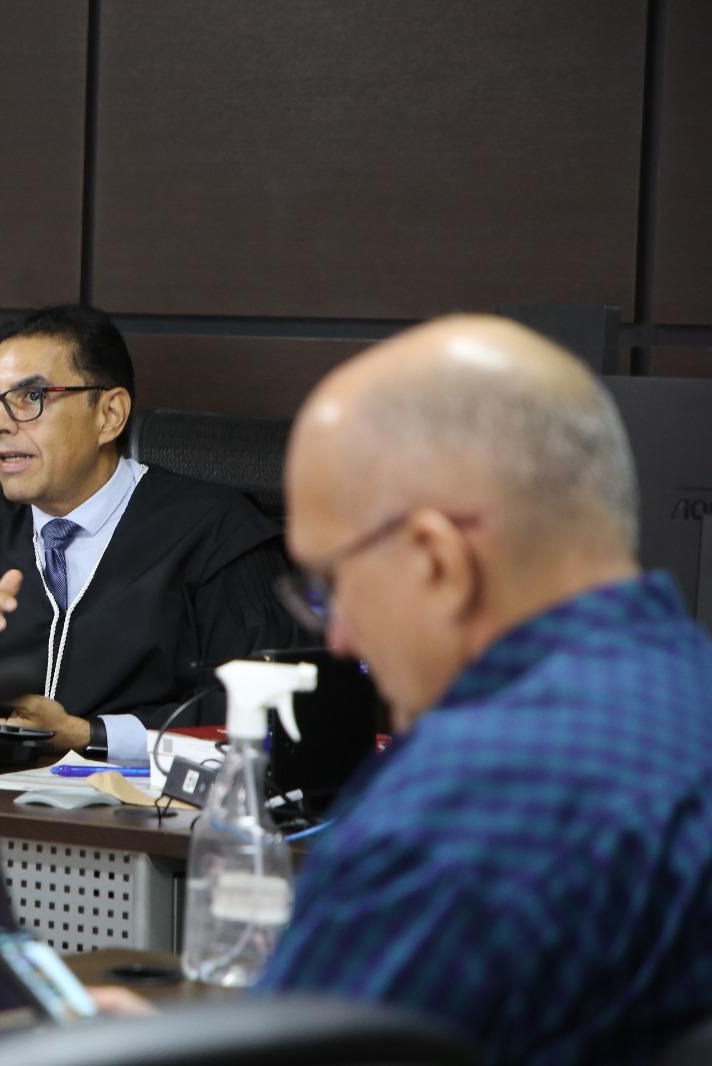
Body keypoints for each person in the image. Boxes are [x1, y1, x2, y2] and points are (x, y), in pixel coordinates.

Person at [103, 315, 712, 1063]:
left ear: (437, 562)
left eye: (331, 584)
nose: (338, 638)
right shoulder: (687, 694)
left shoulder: (457, 811)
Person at [0, 304, 300, 760]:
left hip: (140, 802)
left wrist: (88, 734)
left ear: (109, 414)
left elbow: (264, 709)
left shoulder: (215, 534)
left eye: (31, 397)